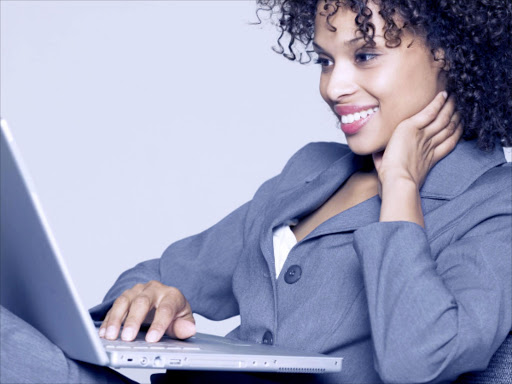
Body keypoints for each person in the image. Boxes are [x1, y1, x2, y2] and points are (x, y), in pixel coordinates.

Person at [1, 0, 511, 383]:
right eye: (325, 61)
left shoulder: (492, 203)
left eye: (365, 54)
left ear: (448, 52)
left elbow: (419, 358)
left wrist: (401, 184)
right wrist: (149, 298)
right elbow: (155, 273)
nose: (334, 87)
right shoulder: (312, 170)